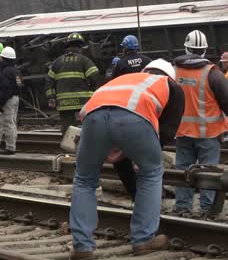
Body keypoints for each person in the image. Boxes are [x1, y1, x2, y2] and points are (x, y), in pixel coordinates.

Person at [69, 59, 185, 259]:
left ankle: (82, 248)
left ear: (145, 70)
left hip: (92, 117)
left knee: (84, 180)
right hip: (135, 117)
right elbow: (166, 133)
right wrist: (137, 153)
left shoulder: (123, 79)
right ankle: (144, 239)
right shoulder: (169, 85)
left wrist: (121, 150)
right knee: (151, 173)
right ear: (169, 76)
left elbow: (92, 112)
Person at [173, 30, 228, 215]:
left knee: (183, 170)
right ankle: (207, 209)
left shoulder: (174, 72)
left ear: (186, 47)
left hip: (182, 132)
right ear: (204, 50)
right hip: (209, 134)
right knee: (208, 172)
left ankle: (182, 207)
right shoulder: (213, 73)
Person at [45, 32, 100, 134]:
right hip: (83, 100)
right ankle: (85, 145)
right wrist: (90, 86)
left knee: (67, 127)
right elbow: (94, 74)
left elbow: (49, 80)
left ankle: (69, 147)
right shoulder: (84, 60)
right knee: (87, 124)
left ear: (67, 46)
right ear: (80, 47)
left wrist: (51, 97)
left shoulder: (57, 62)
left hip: (64, 102)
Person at [0, 47, 22, 155]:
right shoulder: (16, 71)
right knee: (12, 122)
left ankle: (10, 147)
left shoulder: (5, 72)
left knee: (8, 123)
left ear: (4, 59)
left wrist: (1, 103)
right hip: (15, 98)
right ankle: (12, 145)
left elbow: (5, 88)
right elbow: (20, 85)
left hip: (8, 99)